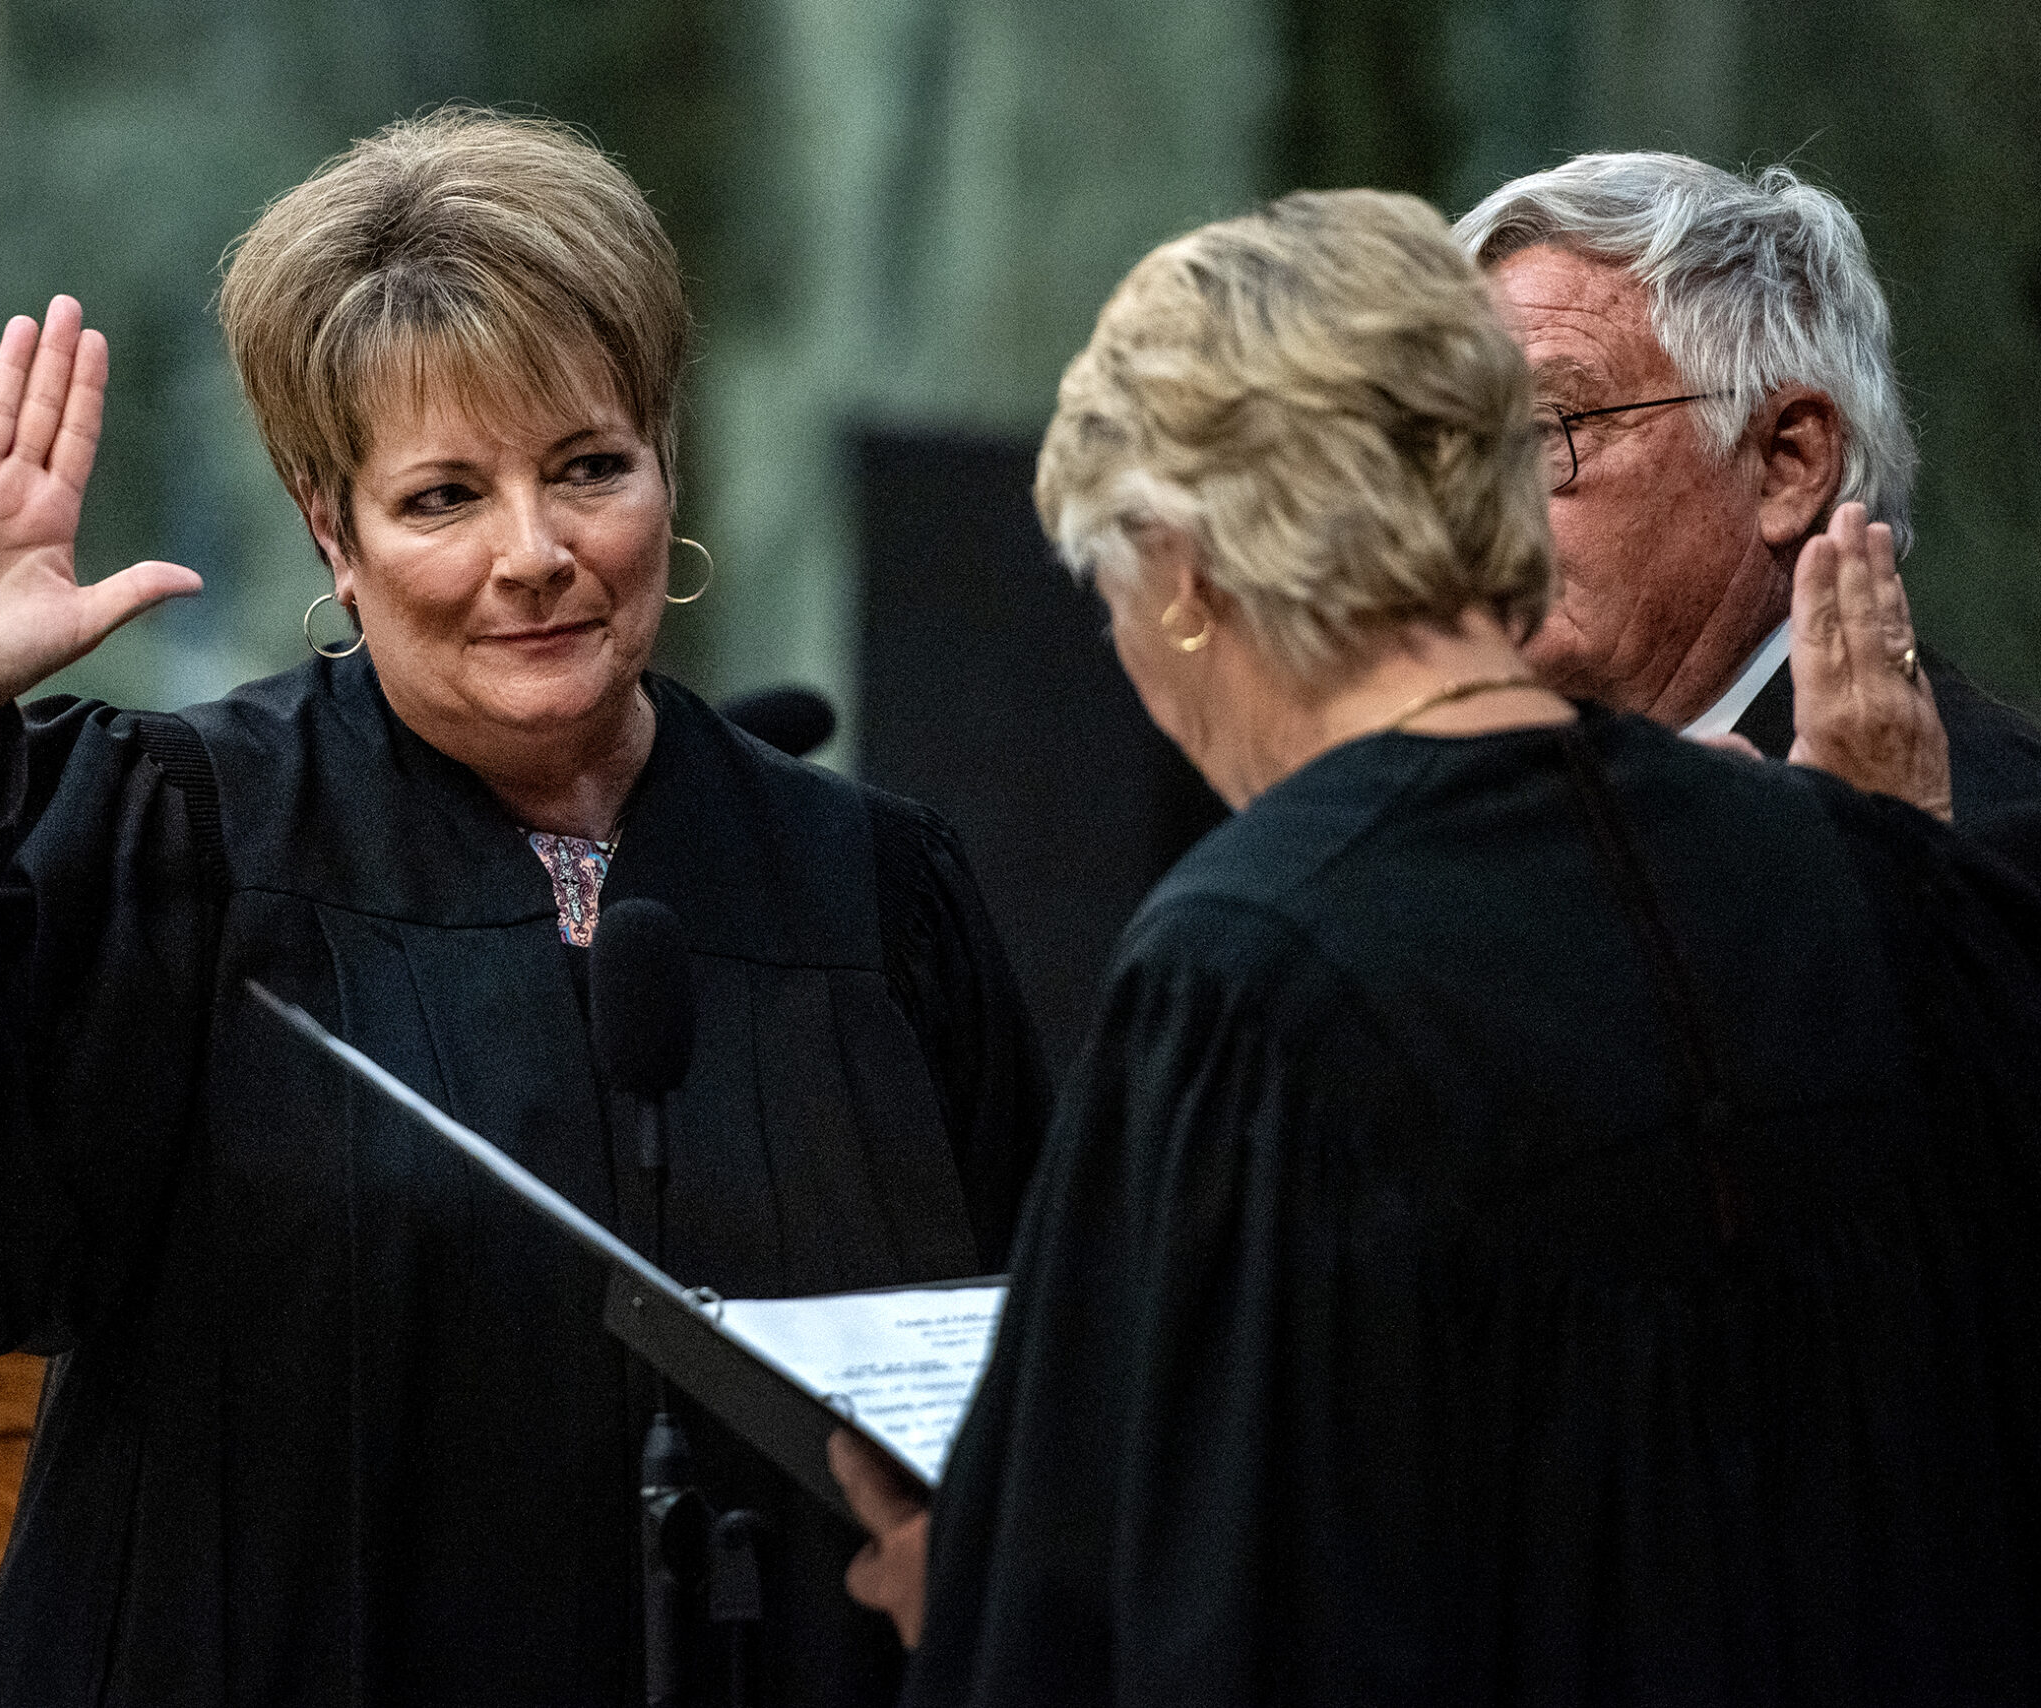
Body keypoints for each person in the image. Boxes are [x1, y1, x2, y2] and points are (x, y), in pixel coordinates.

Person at [0, 108, 1047, 1707]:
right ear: (331, 529)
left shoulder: (870, 886)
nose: (536, 554)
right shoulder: (183, 845)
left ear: (664, 466)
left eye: (589, 468)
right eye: (443, 497)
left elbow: (1017, 1361)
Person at [832, 189, 2041, 1703]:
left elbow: (1231, 1603)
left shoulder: (1248, 971)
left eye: (1113, 596)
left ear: (1185, 572)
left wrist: (997, 1600)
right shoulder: (1857, 863)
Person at [1454, 153, 2041, 861]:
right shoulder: (1470, 811)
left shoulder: (1989, 839)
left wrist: (1871, 868)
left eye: (1544, 431)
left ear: (1785, 467)